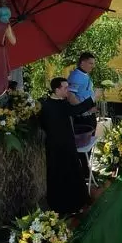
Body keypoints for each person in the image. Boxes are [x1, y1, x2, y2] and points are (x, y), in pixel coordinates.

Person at [38, 77, 96, 216]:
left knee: (68, 173)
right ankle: (69, 206)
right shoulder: (53, 105)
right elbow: (77, 110)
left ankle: (71, 203)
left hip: (61, 145)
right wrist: (93, 97)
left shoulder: (50, 104)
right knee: (64, 175)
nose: (67, 90)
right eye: (64, 88)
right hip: (59, 146)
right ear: (56, 90)